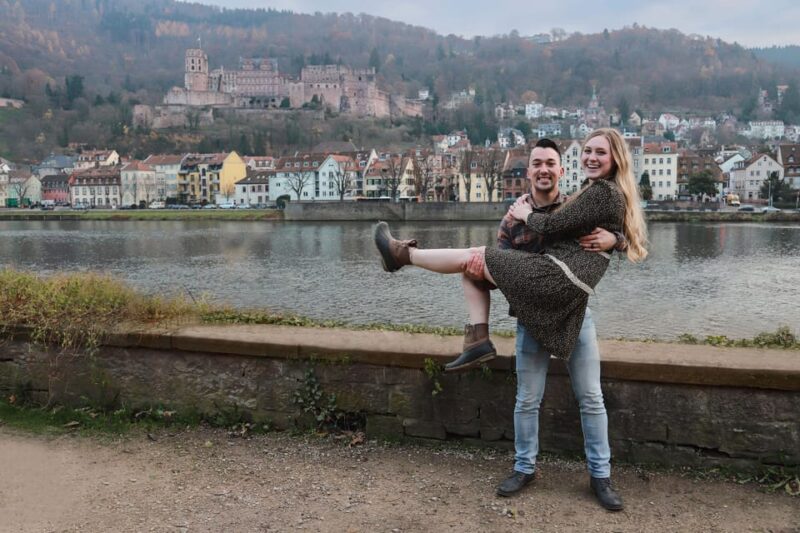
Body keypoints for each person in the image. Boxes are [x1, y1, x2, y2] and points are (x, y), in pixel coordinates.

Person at [374, 129, 648, 509]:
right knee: (526, 397)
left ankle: (601, 477)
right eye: (536, 163)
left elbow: (614, 229)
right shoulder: (514, 218)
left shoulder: (577, 201)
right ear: (530, 171)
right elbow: (503, 265)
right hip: (533, 311)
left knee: (590, 398)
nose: (544, 169)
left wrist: (614, 240)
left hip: (572, 312)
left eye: (551, 163)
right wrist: (496, 262)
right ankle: (523, 465)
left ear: (559, 170)